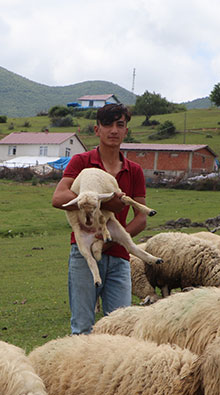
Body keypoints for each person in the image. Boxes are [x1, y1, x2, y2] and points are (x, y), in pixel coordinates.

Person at [51, 103, 148, 335]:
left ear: (126, 130)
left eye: (120, 125)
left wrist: (116, 240)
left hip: (120, 258)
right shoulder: (82, 162)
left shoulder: (134, 170)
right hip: (84, 254)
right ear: (97, 130)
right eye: (107, 125)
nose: (113, 130)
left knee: (122, 328)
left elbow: (142, 217)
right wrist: (101, 201)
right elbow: (58, 197)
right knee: (83, 326)